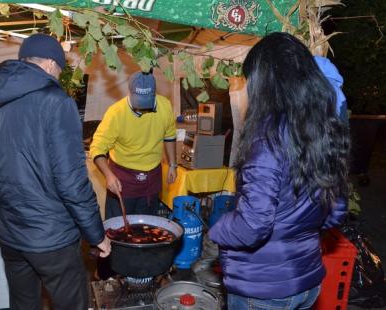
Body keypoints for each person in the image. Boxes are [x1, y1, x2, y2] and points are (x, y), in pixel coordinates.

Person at [0, 33, 111, 310]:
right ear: (51, 65)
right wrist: (97, 235)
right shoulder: (57, 102)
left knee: (23, 305)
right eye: (59, 70)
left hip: (11, 237)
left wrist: (6, 220)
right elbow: (71, 183)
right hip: (54, 239)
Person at [209, 32, 350, 310]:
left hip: (263, 289)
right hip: (307, 280)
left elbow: (253, 226)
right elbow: (337, 208)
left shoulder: (268, 135)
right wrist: (298, 230)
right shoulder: (324, 125)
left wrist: (217, 229)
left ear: (266, 81)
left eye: (251, 81)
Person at [89, 71, 177, 219]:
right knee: (118, 230)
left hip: (152, 178)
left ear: (155, 94)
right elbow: (97, 147)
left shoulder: (165, 106)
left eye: (146, 102)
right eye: (138, 103)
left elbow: (170, 135)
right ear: (129, 93)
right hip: (122, 179)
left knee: (147, 229)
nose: (142, 109)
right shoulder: (116, 113)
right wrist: (109, 176)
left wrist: (173, 164)